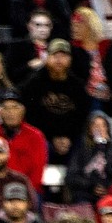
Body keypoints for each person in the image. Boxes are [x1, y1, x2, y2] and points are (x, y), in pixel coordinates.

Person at [19, 38, 89, 166]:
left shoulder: (78, 86)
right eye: (55, 55)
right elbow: (30, 116)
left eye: (63, 56)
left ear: (70, 60)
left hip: (70, 139)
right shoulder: (33, 83)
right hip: (43, 137)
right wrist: (52, 138)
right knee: (39, 143)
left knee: (83, 145)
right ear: (47, 58)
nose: (59, 60)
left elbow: (81, 118)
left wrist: (68, 138)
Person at [0, 90, 47, 196]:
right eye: (5, 108)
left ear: (23, 110)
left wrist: (25, 192)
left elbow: (37, 172)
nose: (10, 112)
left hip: (26, 191)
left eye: (15, 107)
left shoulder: (35, 136)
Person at [64, 112, 112, 205]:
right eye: (95, 125)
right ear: (89, 130)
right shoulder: (80, 149)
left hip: (108, 194)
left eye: (103, 126)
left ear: (108, 129)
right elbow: (71, 177)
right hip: (84, 194)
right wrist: (91, 186)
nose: (100, 129)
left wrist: (106, 147)